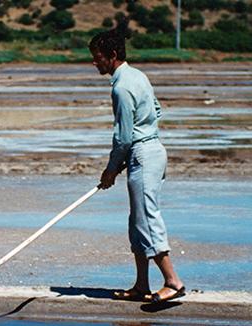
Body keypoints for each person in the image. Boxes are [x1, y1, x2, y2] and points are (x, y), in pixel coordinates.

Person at [89, 25, 185, 303]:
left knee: (146, 219)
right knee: (137, 221)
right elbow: (156, 110)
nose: (94, 62)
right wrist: (128, 154)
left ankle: (173, 282)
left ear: (113, 55)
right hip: (150, 150)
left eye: (98, 57)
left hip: (143, 154)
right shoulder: (137, 75)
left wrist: (111, 169)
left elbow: (123, 136)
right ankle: (142, 285)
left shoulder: (121, 87)